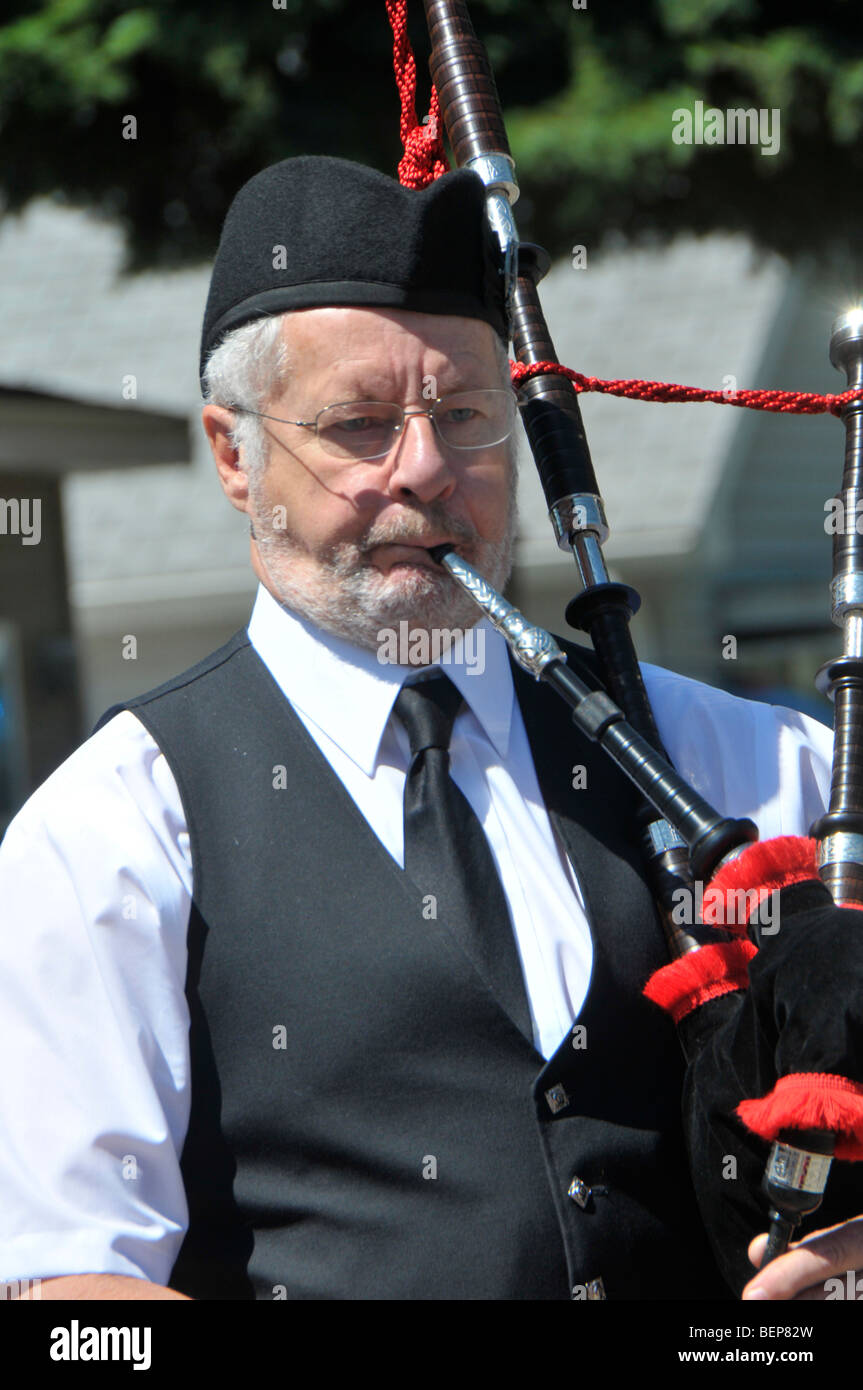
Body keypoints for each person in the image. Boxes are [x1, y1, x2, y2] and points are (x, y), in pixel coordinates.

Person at [0, 156, 859, 1302]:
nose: (426, 470)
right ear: (232, 453)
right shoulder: (115, 826)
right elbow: (69, 1293)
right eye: (358, 425)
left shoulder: (742, 764)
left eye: (464, 416)